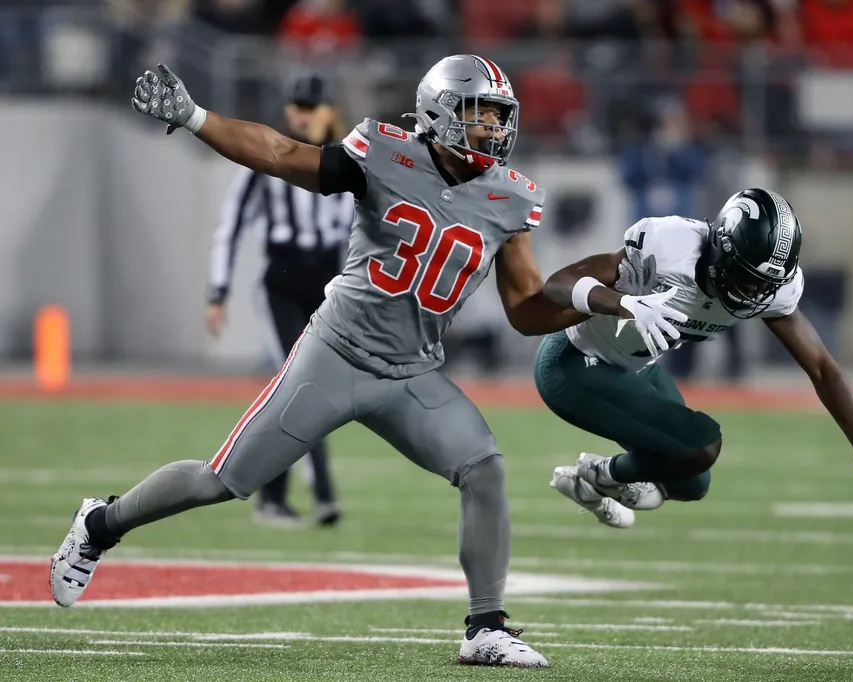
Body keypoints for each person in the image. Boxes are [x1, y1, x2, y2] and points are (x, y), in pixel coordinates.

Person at [50, 54, 590, 668]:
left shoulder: (509, 197)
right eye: (480, 115)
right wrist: (197, 117)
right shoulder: (386, 152)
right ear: (440, 111)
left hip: (410, 372)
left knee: (484, 468)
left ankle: (485, 628)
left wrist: (598, 305)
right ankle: (101, 523)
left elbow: (524, 308)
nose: (494, 129)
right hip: (334, 353)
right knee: (222, 480)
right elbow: (282, 155)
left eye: (500, 117)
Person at [533, 189, 853, 527]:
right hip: (575, 364)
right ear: (720, 251)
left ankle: (595, 482)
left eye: (766, 284)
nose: (755, 293)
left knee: (692, 482)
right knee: (702, 444)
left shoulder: (769, 289)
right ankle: (601, 477)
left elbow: (823, 368)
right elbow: (558, 284)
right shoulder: (669, 249)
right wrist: (624, 304)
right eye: (748, 279)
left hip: (637, 369)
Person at [206, 72, 353, 528]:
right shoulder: (271, 156)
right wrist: (218, 290)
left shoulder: (353, 159)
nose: (301, 116)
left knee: (320, 387)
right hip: (283, 282)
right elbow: (230, 226)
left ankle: (290, 495)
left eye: (311, 107)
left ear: (329, 110)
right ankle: (309, 493)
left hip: (330, 283)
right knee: (297, 381)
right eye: (296, 107)